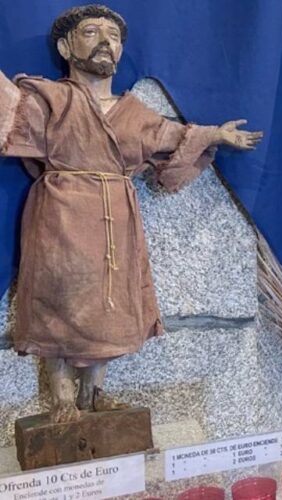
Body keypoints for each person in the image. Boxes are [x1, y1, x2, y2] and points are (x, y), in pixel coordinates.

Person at [0, 4, 263, 423]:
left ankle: (93, 393)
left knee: (112, 299)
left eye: (114, 36)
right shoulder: (51, 98)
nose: (105, 41)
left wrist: (216, 134)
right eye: (91, 32)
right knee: (59, 296)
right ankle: (63, 400)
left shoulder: (134, 112)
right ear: (66, 48)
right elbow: (11, 116)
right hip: (61, 214)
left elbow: (173, 135)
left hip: (116, 217)